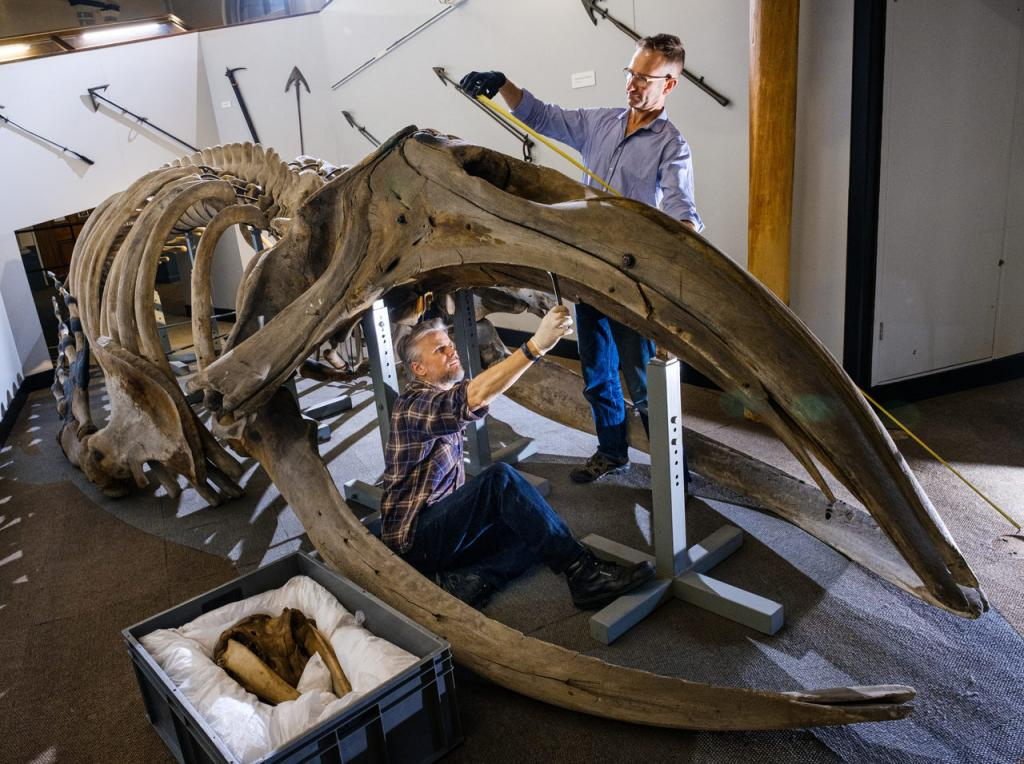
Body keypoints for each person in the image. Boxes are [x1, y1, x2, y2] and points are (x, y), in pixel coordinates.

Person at [460, 33, 703, 484]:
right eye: (630, 73)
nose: (632, 85)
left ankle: (675, 471)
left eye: (644, 79)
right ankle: (612, 453)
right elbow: (543, 116)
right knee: (597, 374)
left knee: (643, 382)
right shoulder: (601, 122)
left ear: (669, 85)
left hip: (633, 282)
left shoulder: (673, 145)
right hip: (589, 274)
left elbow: (680, 209)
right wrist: (502, 83)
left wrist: (683, 248)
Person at [380, 305, 655, 609]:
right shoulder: (414, 404)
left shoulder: (441, 391)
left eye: (451, 345)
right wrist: (535, 346)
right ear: (419, 369)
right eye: (441, 349)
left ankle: (470, 579)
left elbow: (470, 394)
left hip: (443, 524)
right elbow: (471, 398)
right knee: (500, 480)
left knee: (532, 522)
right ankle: (583, 573)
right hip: (415, 540)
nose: (452, 351)